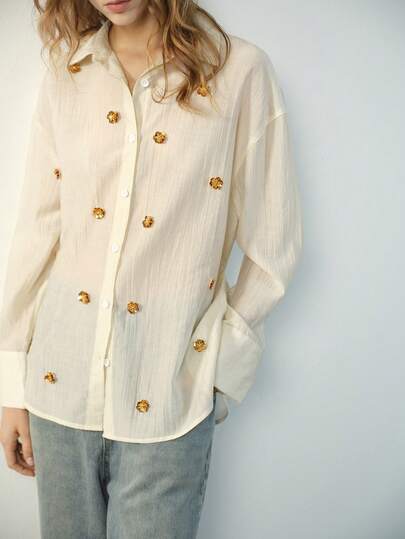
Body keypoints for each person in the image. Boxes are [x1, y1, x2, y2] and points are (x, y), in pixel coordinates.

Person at [0, 0, 303, 537]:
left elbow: (273, 244)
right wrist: (11, 387)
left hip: (169, 398)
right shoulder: (67, 75)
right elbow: (38, 232)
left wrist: (214, 369)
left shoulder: (238, 72)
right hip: (57, 386)